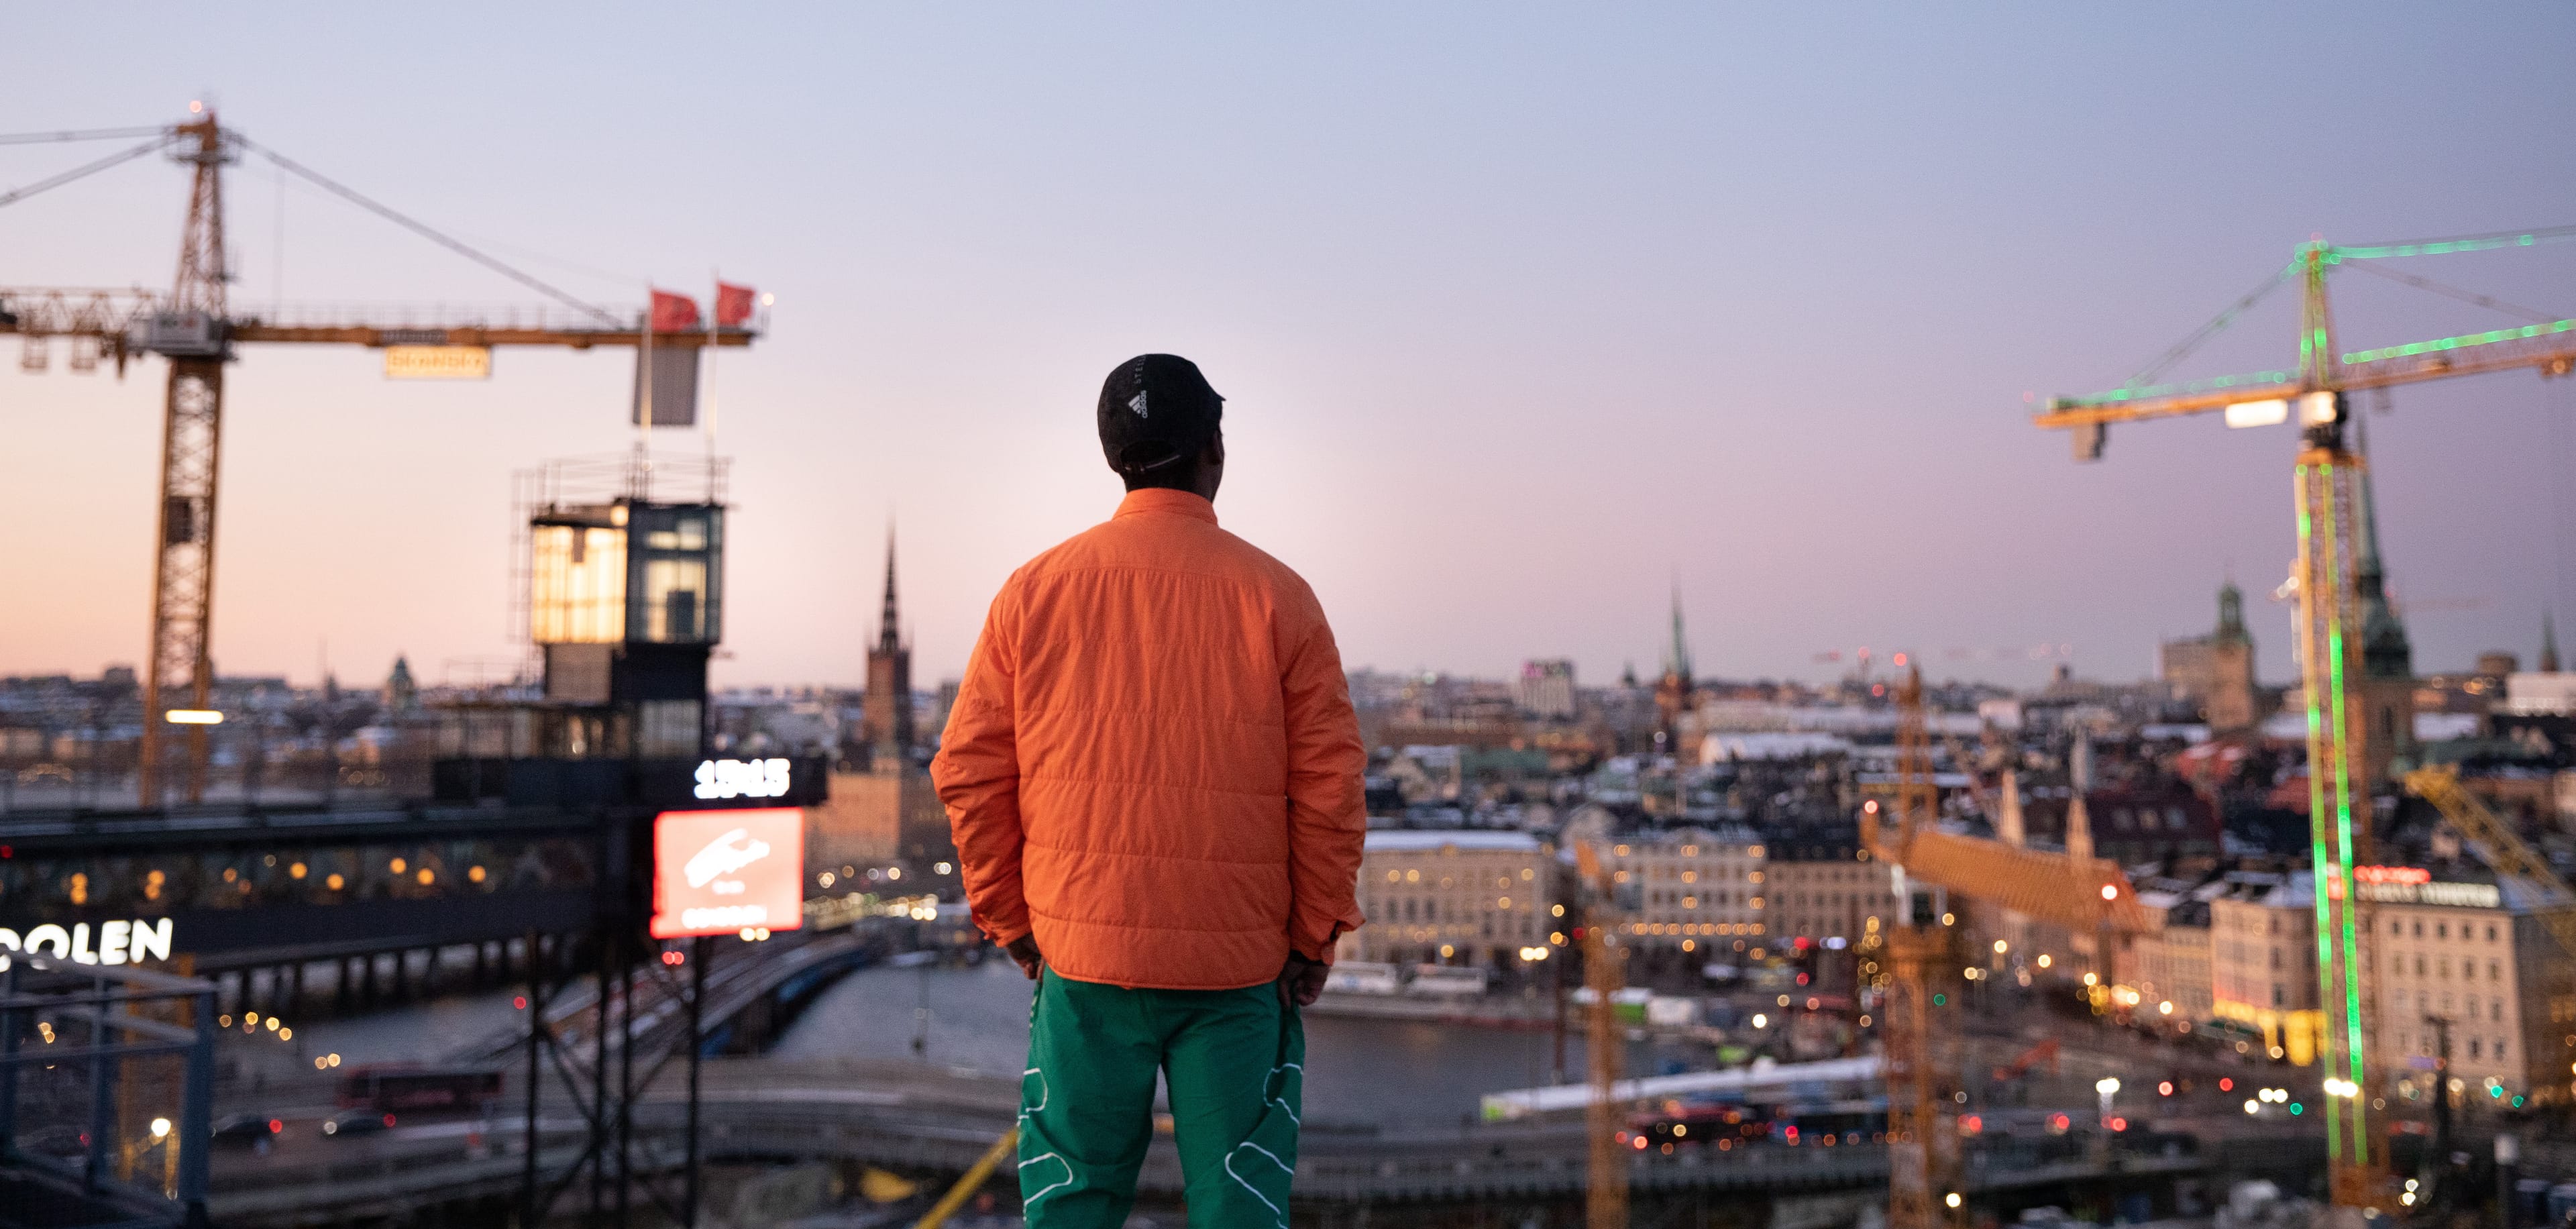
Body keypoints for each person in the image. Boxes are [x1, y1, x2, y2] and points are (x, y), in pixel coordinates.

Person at [932, 354, 1368, 1228]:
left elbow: (969, 773)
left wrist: (1011, 918)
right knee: (1238, 1204)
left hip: (1083, 958)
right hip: (1238, 968)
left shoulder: (1034, 592)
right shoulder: (1280, 598)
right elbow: (1329, 791)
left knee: (1073, 1205)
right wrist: (1312, 934)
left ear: (1112, 455)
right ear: (1215, 452)